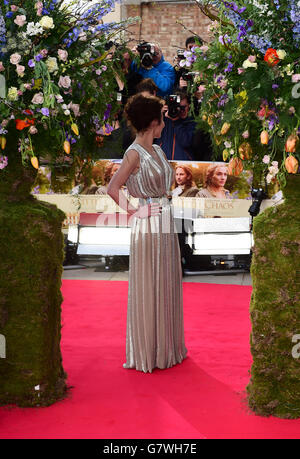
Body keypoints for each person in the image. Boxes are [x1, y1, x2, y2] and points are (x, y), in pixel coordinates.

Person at [107, 94, 187, 373]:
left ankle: (167, 348)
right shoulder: (133, 153)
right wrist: (134, 212)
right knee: (151, 284)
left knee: (167, 281)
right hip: (148, 225)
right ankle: (149, 352)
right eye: (162, 119)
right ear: (153, 122)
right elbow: (112, 188)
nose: (164, 124)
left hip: (165, 222)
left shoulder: (160, 150)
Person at [156, 91, 196, 161]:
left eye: (183, 107)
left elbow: (185, 142)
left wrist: (176, 122)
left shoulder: (192, 122)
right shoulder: (164, 120)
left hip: (183, 165)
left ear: (189, 105)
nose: (181, 110)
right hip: (163, 163)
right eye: (178, 107)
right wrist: (158, 113)